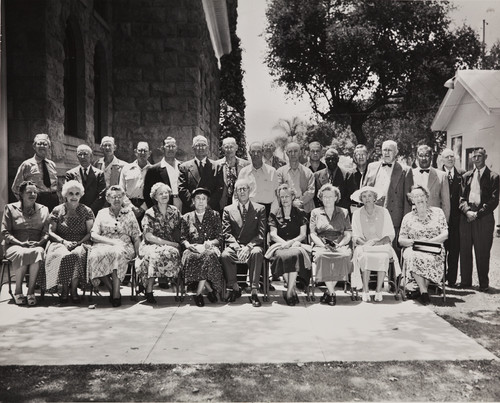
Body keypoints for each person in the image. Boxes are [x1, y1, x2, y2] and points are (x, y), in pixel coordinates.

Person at [88, 185, 141, 307]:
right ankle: (112, 289)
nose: (116, 199)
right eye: (113, 197)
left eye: (119, 196)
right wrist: (111, 242)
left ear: (123, 198)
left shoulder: (129, 213)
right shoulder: (102, 213)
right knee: (94, 255)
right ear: (108, 199)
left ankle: (116, 293)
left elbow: (136, 236)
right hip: (104, 243)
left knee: (117, 254)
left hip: (125, 245)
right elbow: (93, 235)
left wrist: (138, 255)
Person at [44, 180, 94, 303]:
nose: (74, 197)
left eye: (77, 194)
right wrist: (64, 242)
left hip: (81, 242)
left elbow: (90, 233)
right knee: (63, 255)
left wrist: (79, 242)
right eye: (70, 193)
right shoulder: (57, 210)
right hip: (60, 242)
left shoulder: (87, 211)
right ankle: (65, 289)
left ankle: (74, 289)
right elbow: (50, 232)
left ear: (81, 195)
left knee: (77, 255)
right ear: (65, 195)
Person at [1, 181, 49, 306]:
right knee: (22, 253)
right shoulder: (10, 208)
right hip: (14, 245)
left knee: (38, 252)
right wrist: (20, 243)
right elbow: (4, 232)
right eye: (29, 192)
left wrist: (40, 242)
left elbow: (47, 232)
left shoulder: (44, 209)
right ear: (21, 194)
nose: (33, 194)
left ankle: (31, 292)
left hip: (35, 244)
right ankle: (18, 291)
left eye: (35, 192)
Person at [398, 185, 448, 305]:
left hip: (434, 248)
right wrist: (415, 243)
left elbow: (445, 234)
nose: (419, 198)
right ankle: (424, 292)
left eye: (421, 195)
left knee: (428, 258)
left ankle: (419, 290)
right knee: (412, 255)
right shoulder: (408, 218)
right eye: (415, 196)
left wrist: (429, 242)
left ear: (426, 197)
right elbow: (401, 240)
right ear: (411, 200)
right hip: (415, 248)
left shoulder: (438, 212)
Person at [459, 147, 499, 292]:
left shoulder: (493, 176)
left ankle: (483, 283)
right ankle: (465, 282)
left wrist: (478, 213)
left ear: (485, 157)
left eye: (479, 156)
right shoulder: (467, 176)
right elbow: (461, 198)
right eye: (474, 156)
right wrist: (467, 211)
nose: (476, 159)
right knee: (465, 250)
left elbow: (494, 201)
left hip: (484, 217)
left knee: (482, 251)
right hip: (467, 216)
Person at [350, 186, 401, 303]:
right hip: (364, 246)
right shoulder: (357, 214)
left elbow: (390, 234)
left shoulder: (384, 211)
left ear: (375, 198)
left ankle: (378, 290)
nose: (367, 198)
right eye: (364, 196)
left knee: (382, 257)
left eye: (369, 195)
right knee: (365, 256)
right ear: (361, 199)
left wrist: (378, 243)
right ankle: (366, 290)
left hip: (381, 245)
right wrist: (367, 244)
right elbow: (356, 236)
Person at [221, 178, 266, 307]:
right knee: (225, 255)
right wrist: (238, 247)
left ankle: (254, 291)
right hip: (236, 247)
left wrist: (249, 247)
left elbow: (261, 233)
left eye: (244, 189)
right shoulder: (228, 210)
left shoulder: (260, 208)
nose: (242, 192)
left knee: (257, 253)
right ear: (235, 192)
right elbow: (227, 233)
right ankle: (234, 287)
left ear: (249, 190)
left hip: (252, 246)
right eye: (239, 189)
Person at [363, 140, 413, 255]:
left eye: (390, 150)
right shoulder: (372, 167)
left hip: (394, 218)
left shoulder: (405, 170)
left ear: (396, 152)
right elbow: (365, 190)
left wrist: (404, 224)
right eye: (384, 150)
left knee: (393, 253)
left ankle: (395, 274)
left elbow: (407, 200)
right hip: (373, 215)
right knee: (373, 250)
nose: (386, 153)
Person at [137, 183, 181, 304]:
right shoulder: (150, 213)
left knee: (170, 252)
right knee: (154, 254)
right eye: (160, 193)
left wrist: (175, 243)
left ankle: (174, 284)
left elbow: (180, 230)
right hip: (151, 244)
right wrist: (170, 244)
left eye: (166, 192)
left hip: (171, 244)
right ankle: (149, 289)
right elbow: (148, 236)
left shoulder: (175, 211)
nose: (164, 195)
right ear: (155, 197)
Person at [267, 184, 310, 305]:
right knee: (282, 256)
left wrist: (291, 243)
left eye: (287, 196)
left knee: (295, 255)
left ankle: (290, 291)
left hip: (296, 243)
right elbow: (273, 235)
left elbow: (303, 234)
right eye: (282, 197)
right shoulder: (274, 213)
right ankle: (292, 291)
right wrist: (284, 243)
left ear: (292, 197)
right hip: (280, 244)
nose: (284, 199)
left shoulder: (300, 213)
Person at [309, 184, 352, 306]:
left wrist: (341, 244)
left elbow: (348, 233)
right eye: (324, 196)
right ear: (321, 198)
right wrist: (321, 245)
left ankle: (328, 292)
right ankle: (332, 293)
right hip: (321, 243)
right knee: (322, 256)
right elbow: (312, 234)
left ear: (336, 197)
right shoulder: (315, 212)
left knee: (344, 256)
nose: (327, 199)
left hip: (339, 243)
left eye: (330, 196)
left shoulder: (343, 212)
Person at [180, 188, 224, 307]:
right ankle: (209, 290)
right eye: (198, 199)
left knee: (208, 256)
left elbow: (220, 237)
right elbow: (183, 238)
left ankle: (198, 293)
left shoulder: (214, 215)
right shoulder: (186, 217)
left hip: (209, 248)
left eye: (203, 199)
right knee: (193, 257)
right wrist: (188, 245)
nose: (201, 201)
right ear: (193, 201)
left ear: (207, 201)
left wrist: (210, 243)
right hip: (192, 249)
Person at [11, 133, 59, 211]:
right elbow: (16, 187)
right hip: (36, 201)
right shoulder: (27, 165)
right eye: (39, 144)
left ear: (49, 147)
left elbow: (57, 186)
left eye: (45, 144)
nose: (42, 146)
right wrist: (26, 203)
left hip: (53, 202)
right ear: (34, 146)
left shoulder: (52, 164)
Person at [178, 135, 225, 214]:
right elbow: (182, 189)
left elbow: (219, 189)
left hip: (210, 209)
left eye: (203, 145)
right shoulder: (184, 167)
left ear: (207, 148)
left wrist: (208, 205)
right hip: (191, 209)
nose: (201, 148)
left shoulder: (217, 167)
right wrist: (194, 204)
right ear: (193, 148)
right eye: (198, 145)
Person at [440, 148, 464, 287]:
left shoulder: (462, 174)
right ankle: (439, 278)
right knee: (440, 250)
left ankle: (452, 280)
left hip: (456, 220)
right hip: (440, 219)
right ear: (442, 159)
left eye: (452, 156)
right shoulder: (436, 174)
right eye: (447, 157)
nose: (450, 159)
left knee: (454, 250)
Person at [238, 141, 280, 218]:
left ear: (263, 152)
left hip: (267, 211)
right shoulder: (243, 172)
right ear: (249, 153)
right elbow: (237, 194)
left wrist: (272, 214)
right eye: (253, 152)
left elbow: (276, 196)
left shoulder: (272, 171)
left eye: (259, 152)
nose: (256, 154)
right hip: (248, 211)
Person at [143, 137, 183, 212]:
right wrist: (156, 210)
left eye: (173, 146)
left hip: (182, 203)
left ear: (176, 148)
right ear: (162, 148)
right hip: (164, 205)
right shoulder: (153, 170)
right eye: (168, 146)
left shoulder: (183, 166)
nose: (170, 149)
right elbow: (147, 194)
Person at [411, 145, 450, 221]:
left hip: (435, 220)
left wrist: (444, 222)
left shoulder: (441, 176)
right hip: (415, 219)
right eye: (421, 155)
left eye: (427, 155)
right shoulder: (410, 174)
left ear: (431, 157)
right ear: (417, 157)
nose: (423, 158)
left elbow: (446, 203)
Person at [65, 144, 106, 215]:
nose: (83, 157)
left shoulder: (99, 174)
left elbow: (101, 196)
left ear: (91, 156)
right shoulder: (70, 174)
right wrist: (77, 209)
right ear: (77, 157)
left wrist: (90, 211)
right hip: (76, 212)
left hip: (94, 212)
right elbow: (67, 193)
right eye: (80, 154)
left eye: (85, 154)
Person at [276, 142, 315, 214]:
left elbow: (311, 191)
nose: (293, 154)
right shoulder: (280, 172)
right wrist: (292, 202)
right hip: (286, 209)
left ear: (300, 152)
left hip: (305, 209)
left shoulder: (308, 172)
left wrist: (300, 202)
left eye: (295, 151)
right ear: (287, 154)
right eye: (290, 151)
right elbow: (278, 190)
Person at [119, 141, 152, 223]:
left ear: (149, 153)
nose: (142, 153)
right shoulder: (126, 168)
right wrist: (131, 207)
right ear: (135, 152)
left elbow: (154, 192)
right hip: (128, 206)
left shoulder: (153, 170)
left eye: (145, 151)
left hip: (147, 207)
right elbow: (121, 190)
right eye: (140, 150)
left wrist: (142, 208)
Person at [216, 137, 250, 207]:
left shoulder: (246, 165)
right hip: (222, 202)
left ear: (236, 148)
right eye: (226, 147)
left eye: (231, 147)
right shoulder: (216, 165)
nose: (229, 150)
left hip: (240, 200)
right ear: (223, 148)